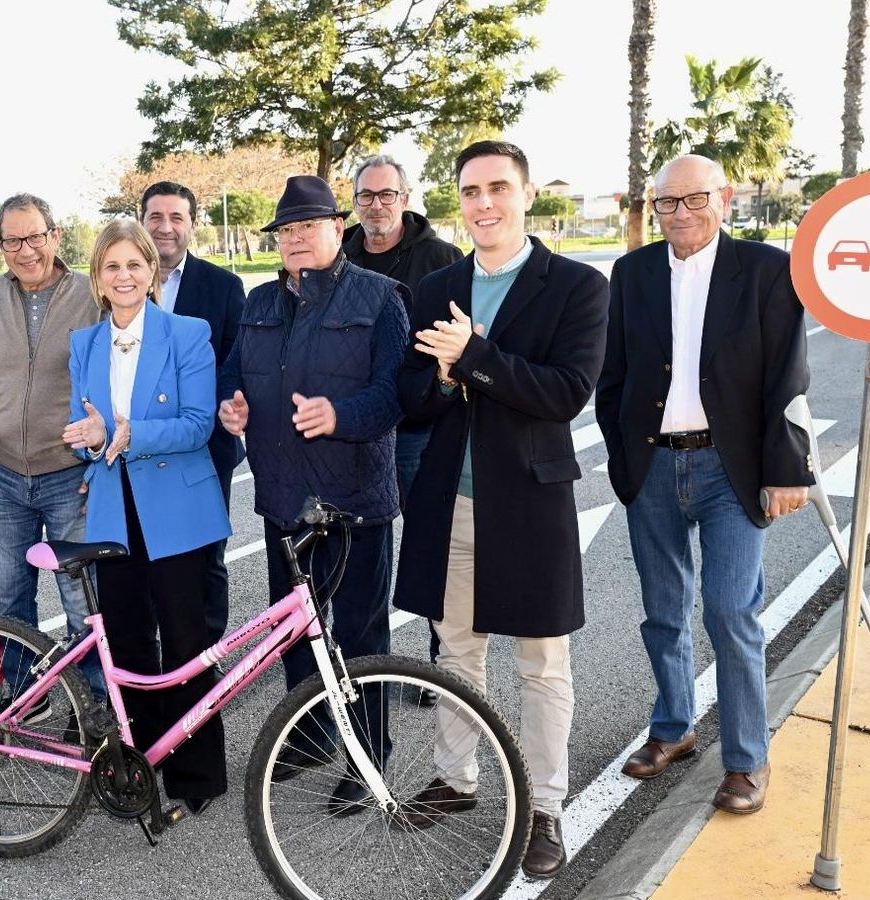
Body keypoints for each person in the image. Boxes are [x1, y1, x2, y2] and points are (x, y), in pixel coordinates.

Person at [392, 140, 608, 878]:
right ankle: (456, 779)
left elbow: (565, 393)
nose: (484, 204)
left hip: (530, 500)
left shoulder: (577, 286)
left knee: (541, 663)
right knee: (456, 650)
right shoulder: (438, 285)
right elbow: (412, 395)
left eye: (498, 188)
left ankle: (545, 807)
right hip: (450, 499)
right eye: (470, 191)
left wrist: (474, 357)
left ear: (526, 195)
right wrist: (444, 379)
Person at [596, 153, 813, 816]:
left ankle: (747, 759)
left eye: (695, 199)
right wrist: (623, 459)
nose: (680, 213)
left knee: (729, 610)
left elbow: (787, 377)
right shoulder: (632, 273)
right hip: (654, 468)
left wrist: (787, 468)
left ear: (725, 198)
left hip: (730, 468)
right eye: (667, 202)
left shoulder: (767, 270)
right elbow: (613, 375)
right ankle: (674, 727)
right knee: (663, 610)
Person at [217, 175, 407, 814]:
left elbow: (396, 395)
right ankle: (309, 737)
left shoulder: (380, 298)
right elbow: (232, 374)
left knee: (361, 639)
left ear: (337, 229)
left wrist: (340, 415)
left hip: (354, 502)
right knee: (295, 632)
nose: (296, 238)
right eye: (287, 230)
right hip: (282, 501)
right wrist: (231, 406)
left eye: (308, 226)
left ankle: (368, 758)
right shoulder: (260, 302)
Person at [63, 219, 232, 815]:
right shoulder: (84, 344)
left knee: (187, 643)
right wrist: (89, 441)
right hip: (114, 512)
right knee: (128, 643)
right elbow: (84, 432)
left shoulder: (188, 332)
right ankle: (140, 765)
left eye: (134, 264)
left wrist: (127, 432)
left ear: (151, 270)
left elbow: (198, 425)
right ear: (98, 278)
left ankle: (197, 774)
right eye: (112, 266)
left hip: (177, 510)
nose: (124, 276)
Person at [0, 193, 104, 691]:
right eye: (12, 241)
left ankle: (94, 702)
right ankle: (22, 695)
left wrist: (100, 463)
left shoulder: (92, 294)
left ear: (55, 236)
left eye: (34, 236)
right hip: (5, 475)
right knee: (12, 597)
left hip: (70, 474)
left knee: (81, 599)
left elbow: (115, 379)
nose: (25, 250)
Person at [341, 153, 465, 703]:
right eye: (366, 196)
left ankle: (441, 662)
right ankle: (362, 668)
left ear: (405, 198)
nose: (376, 205)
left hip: (417, 431)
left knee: (428, 547)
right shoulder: (338, 254)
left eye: (386, 194)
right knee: (361, 559)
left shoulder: (441, 260)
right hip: (358, 433)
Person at [140, 180, 246, 643]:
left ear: (193, 225)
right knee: (145, 557)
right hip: (137, 447)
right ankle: (153, 658)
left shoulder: (223, 287)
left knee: (205, 558)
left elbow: (236, 362)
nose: (165, 228)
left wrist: (220, 404)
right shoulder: (120, 282)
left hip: (204, 447)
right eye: (155, 217)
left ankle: (205, 658)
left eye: (176, 218)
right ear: (141, 221)